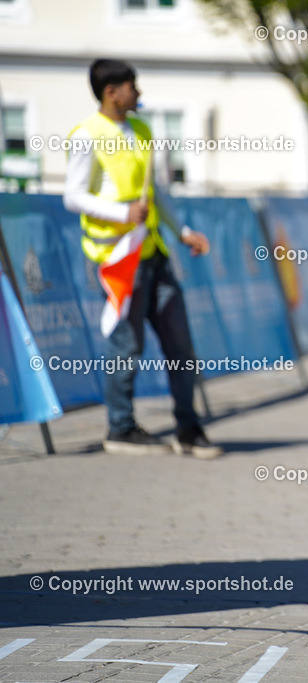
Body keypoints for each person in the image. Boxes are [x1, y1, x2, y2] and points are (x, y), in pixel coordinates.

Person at [63, 59, 221, 459]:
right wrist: (120, 213)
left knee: (180, 345)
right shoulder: (87, 135)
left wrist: (183, 231)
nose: (139, 92)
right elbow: (73, 195)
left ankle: (188, 428)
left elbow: (158, 194)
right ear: (111, 91)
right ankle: (120, 428)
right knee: (126, 345)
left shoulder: (145, 131)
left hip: (153, 253)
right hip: (115, 259)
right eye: (132, 85)